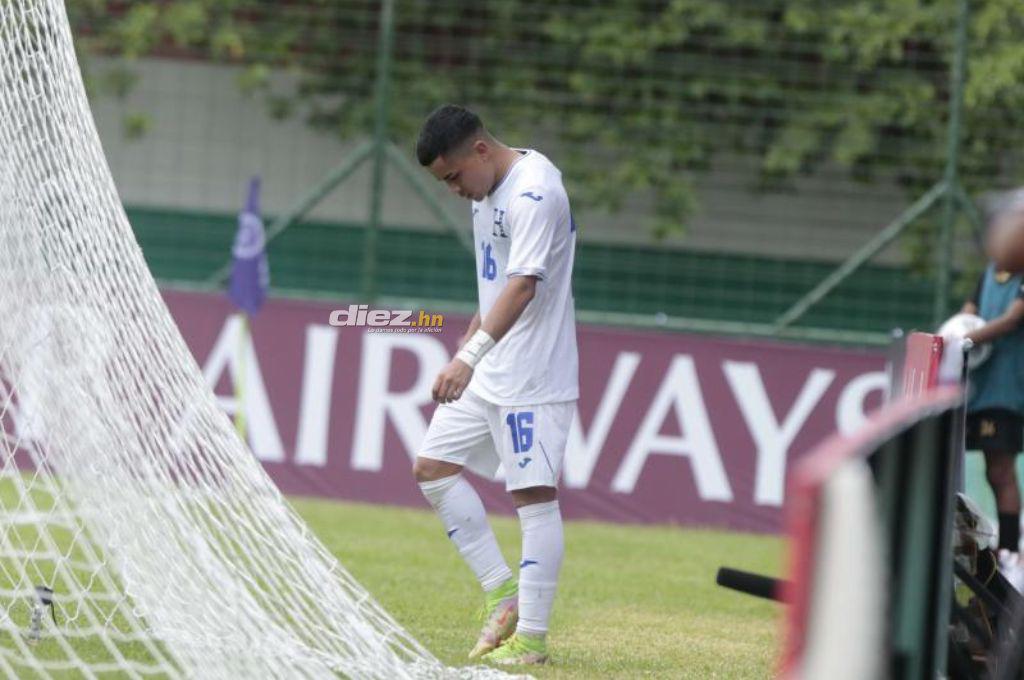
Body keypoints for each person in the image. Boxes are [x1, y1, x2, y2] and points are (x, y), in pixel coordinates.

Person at [411, 104, 578, 665]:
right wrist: (470, 345)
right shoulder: (486, 194)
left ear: (480, 150)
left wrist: (469, 357)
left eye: (454, 176)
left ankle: (531, 639)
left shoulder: (535, 191)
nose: (454, 190)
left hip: (533, 375)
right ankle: (501, 591)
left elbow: (525, 286)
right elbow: (497, 284)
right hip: (492, 366)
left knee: (532, 499)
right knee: (432, 469)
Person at [962, 189, 1024, 591]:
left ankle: (1009, 553)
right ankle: (983, 550)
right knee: (987, 467)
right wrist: (960, 328)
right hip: (980, 386)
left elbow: (1012, 319)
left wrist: (964, 342)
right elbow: (970, 308)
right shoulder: (991, 268)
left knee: (1001, 469)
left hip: (1009, 388)